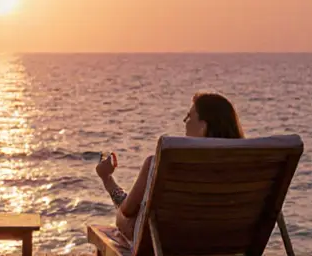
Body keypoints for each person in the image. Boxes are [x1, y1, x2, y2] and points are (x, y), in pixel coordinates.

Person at [95, 92, 244, 241]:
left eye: (189, 117)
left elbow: (127, 210)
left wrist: (107, 179)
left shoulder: (157, 165)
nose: (184, 121)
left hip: (170, 246)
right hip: (222, 242)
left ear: (203, 127)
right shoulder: (246, 167)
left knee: (123, 215)